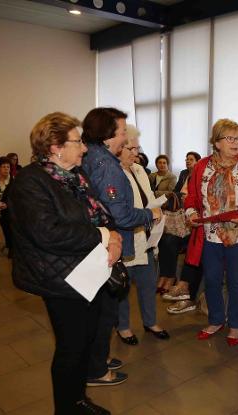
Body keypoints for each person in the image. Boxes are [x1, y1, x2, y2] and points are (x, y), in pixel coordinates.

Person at [9, 112, 122, 415]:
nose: (84, 149)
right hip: (60, 278)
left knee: (87, 340)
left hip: (91, 272)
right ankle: (66, 408)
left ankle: (79, 399)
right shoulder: (30, 182)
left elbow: (101, 211)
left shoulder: (77, 175)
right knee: (71, 348)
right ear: (56, 146)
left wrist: (114, 236)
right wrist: (101, 234)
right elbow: (48, 233)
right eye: (78, 142)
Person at [81, 108, 163, 351]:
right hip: (116, 241)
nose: (131, 146)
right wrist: (150, 214)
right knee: (114, 299)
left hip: (135, 239)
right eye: (123, 133)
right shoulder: (107, 165)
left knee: (144, 286)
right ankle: (101, 363)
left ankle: (101, 361)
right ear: (108, 135)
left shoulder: (104, 161)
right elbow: (121, 215)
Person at [185, 118, 238, 346]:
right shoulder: (202, 166)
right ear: (217, 142)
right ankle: (216, 320)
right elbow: (191, 195)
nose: (235, 142)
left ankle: (236, 326)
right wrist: (191, 212)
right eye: (230, 138)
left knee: (236, 282)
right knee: (211, 279)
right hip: (209, 234)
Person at [115, 128, 170, 343]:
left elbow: (145, 200)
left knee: (148, 284)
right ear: (118, 148)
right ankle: (123, 327)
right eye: (130, 148)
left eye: (137, 148)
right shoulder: (113, 173)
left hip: (146, 236)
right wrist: (148, 213)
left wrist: (156, 208)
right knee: (123, 287)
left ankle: (150, 322)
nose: (135, 153)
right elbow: (122, 212)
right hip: (126, 238)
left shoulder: (139, 170)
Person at [157, 151, 202, 294]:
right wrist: (179, 197)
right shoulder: (184, 173)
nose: (188, 161)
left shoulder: (201, 176)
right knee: (164, 239)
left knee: (170, 241)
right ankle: (165, 275)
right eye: (186, 159)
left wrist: (187, 199)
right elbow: (175, 192)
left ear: (198, 162)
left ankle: (171, 278)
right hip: (178, 219)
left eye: (191, 159)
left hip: (191, 223)